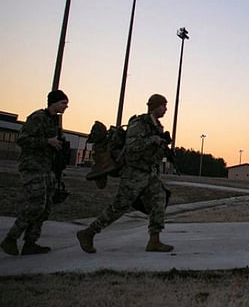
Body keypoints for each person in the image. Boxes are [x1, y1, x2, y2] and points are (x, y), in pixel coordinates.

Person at [76, 94, 174, 253]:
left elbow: (151, 151)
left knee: (159, 200)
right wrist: (152, 140)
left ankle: (154, 240)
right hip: (133, 173)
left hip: (149, 172)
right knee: (119, 207)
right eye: (163, 105)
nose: (165, 109)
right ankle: (89, 233)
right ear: (155, 106)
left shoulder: (157, 126)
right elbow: (131, 146)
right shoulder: (139, 123)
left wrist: (162, 146)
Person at [1, 90, 69, 256]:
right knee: (35, 204)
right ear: (53, 103)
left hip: (46, 168)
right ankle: (11, 239)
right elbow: (22, 139)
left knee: (45, 207)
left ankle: (30, 243)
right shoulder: (38, 117)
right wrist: (47, 141)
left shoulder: (54, 121)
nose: (66, 106)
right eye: (63, 103)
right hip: (32, 167)